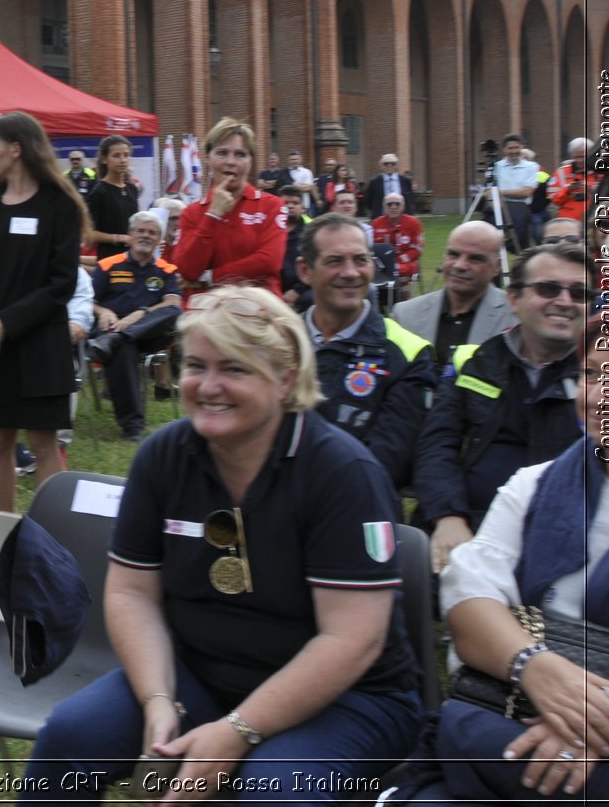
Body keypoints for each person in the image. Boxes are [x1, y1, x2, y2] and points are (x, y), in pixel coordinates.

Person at [23, 286, 422, 801]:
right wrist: (159, 700)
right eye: (195, 365)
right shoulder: (163, 457)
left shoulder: (343, 474)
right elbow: (131, 593)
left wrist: (237, 731)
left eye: (234, 369)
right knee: (70, 739)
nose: (208, 386)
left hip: (351, 697)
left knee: (272, 792)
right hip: (204, 672)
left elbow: (353, 641)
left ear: (285, 378)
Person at [421, 308, 609, 803]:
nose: (599, 396)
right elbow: (470, 602)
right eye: (592, 374)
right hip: (520, 709)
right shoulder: (534, 487)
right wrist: (534, 668)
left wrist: (593, 719)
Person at [413, 243, 590, 571]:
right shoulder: (475, 362)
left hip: (568, 537)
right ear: (513, 299)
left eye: (579, 293)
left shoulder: (604, 378)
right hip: (472, 524)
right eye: (548, 289)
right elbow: (437, 444)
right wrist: (448, 515)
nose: (564, 301)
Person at [0, 110, 90, 511]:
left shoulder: (60, 206)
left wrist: (8, 321)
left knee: (42, 442)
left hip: (39, 341)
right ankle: (4, 530)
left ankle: (49, 535)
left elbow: (61, 284)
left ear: (15, 149)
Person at [296, 213, 435, 493]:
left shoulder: (407, 353)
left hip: (356, 508)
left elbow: (389, 460)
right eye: (335, 261)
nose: (350, 273)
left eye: (361, 260)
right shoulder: (276, 342)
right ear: (305, 271)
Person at [85, 211, 181, 440]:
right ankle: (133, 427)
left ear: (159, 239)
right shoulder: (108, 265)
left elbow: (172, 302)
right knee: (124, 349)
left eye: (152, 233)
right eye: (141, 231)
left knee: (175, 312)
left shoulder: (166, 270)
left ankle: (120, 338)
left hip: (147, 330)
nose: (146, 236)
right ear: (130, 235)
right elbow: (88, 301)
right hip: (111, 327)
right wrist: (103, 311)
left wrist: (141, 313)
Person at [173, 117, 287, 297]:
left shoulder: (271, 206)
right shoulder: (191, 213)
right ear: (208, 159)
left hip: (259, 311)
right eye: (222, 153)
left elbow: (269, 261)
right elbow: (188, 270)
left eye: (240, 154)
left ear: (250, 161)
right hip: (206, 316)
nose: (231, 161)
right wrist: (213, 215)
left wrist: (210, 277)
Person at [392, 221, 512, 371]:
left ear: (497, 267)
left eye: (475, 258)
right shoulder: (405, 315)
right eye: (453, 254)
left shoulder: (516, 317)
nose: (459, 265)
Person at [87, 134, 140, 259]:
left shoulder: (131, 189)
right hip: (110, 260)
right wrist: (118, 238)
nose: (123, 160)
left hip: (132, 258)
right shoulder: (99, 191)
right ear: (105, 159)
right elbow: (89, 234)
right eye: (116, 155)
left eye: (126, 155)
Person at [490, 133, 540, 249]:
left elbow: (526, 192)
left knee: (521, 245)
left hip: (520, 208)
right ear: (504, 150)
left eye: (516, 147)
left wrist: (501, 192)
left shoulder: (531, 166)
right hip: (499, 207)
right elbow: (490, 191)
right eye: (510, 148)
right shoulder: (496, 166)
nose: (514, 151)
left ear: (521, 147)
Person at [370, 192, 424, 285]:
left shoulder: (413, 223)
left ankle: (403, 295)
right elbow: (370, 247)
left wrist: (399, 260)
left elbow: (417, 249)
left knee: (400, 271)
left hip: (405, 263)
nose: (393, 207)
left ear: (403, 207)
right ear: (384, 207)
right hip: (382, 265)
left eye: (397, 204)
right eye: (389, 204)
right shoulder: (376, 224)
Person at [547, 137, 597, 223]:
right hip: (568, 222)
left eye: (583, 157)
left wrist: (591, 189)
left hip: (594, 219)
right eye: (576, 157)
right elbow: (554, 199)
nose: (580, 160)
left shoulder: (600, 171)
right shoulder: (561, 172)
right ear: (572, 155)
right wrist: (568, 190)